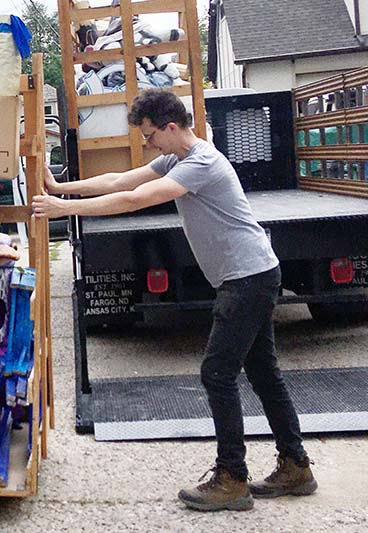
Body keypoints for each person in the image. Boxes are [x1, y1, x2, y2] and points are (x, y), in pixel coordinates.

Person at [32, 88, 317, 512]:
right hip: (249, 276)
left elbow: (133, 200)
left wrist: (62, 208)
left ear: (170, 127)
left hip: (248, 279)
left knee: (217, 374)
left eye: (150, 136)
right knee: (262, 373)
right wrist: (61, 187)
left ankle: (232, 479)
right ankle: (296, 466)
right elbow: (119, 180)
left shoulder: (201, 163)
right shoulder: (176, 158)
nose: (148, 144)